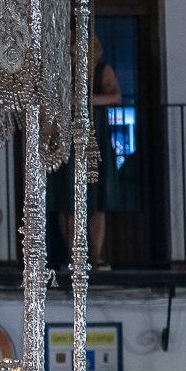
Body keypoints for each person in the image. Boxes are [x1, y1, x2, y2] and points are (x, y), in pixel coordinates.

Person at [54, 35, 124, 269]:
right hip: (67, 142)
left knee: (97, 201)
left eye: (76, 50)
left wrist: (83, 100)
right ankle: (74, 256)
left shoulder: (101, 70)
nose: (73, 55)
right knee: (67, 201)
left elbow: (115, 96)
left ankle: (96, 256)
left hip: (95, 140)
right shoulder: (61, 71)